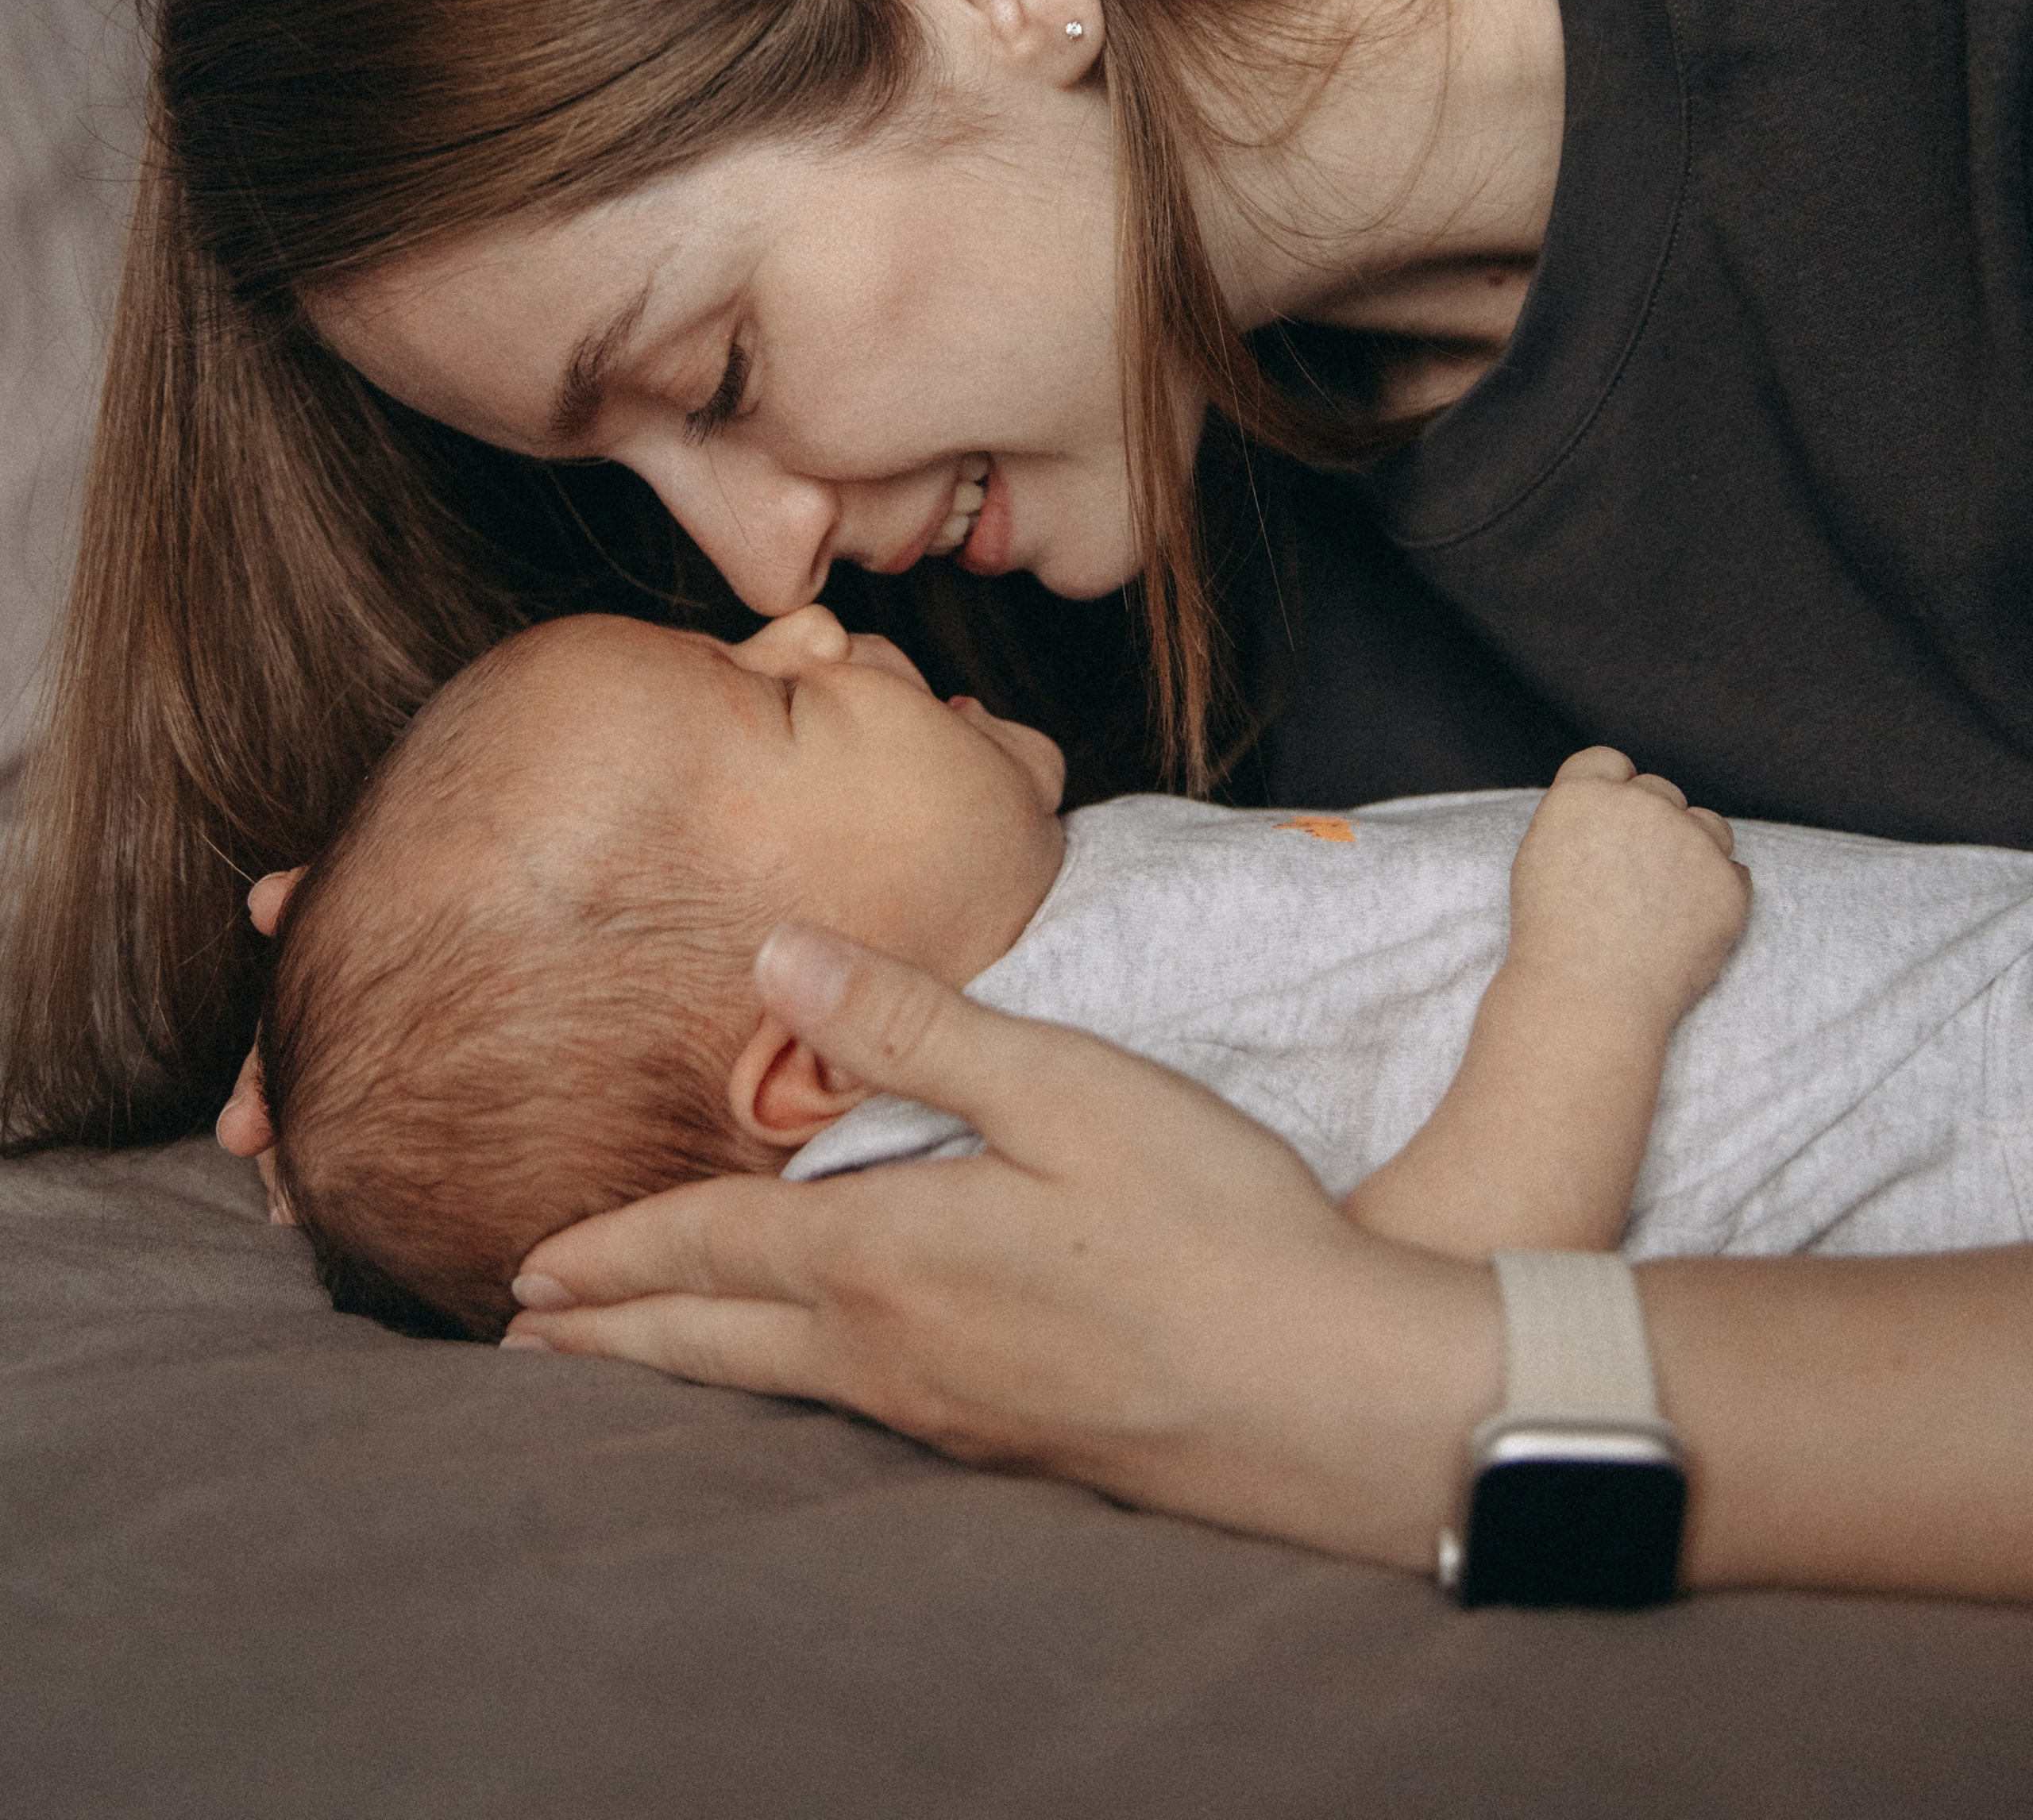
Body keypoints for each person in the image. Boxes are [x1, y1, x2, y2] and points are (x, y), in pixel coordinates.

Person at [2, 0, 2029, 1594]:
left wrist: (1413, 1388)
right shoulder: (1013, 544)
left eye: (707, 377)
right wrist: (414, 1058)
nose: (775, 577)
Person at [262, 601, 2033, 1348]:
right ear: (813, 1061)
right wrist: (1593, 971)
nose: (808, 620)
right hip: (1951, 1133)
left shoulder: (1033, 922)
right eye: (779, 696)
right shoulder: (1027, 1113)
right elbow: (1384, 1310)